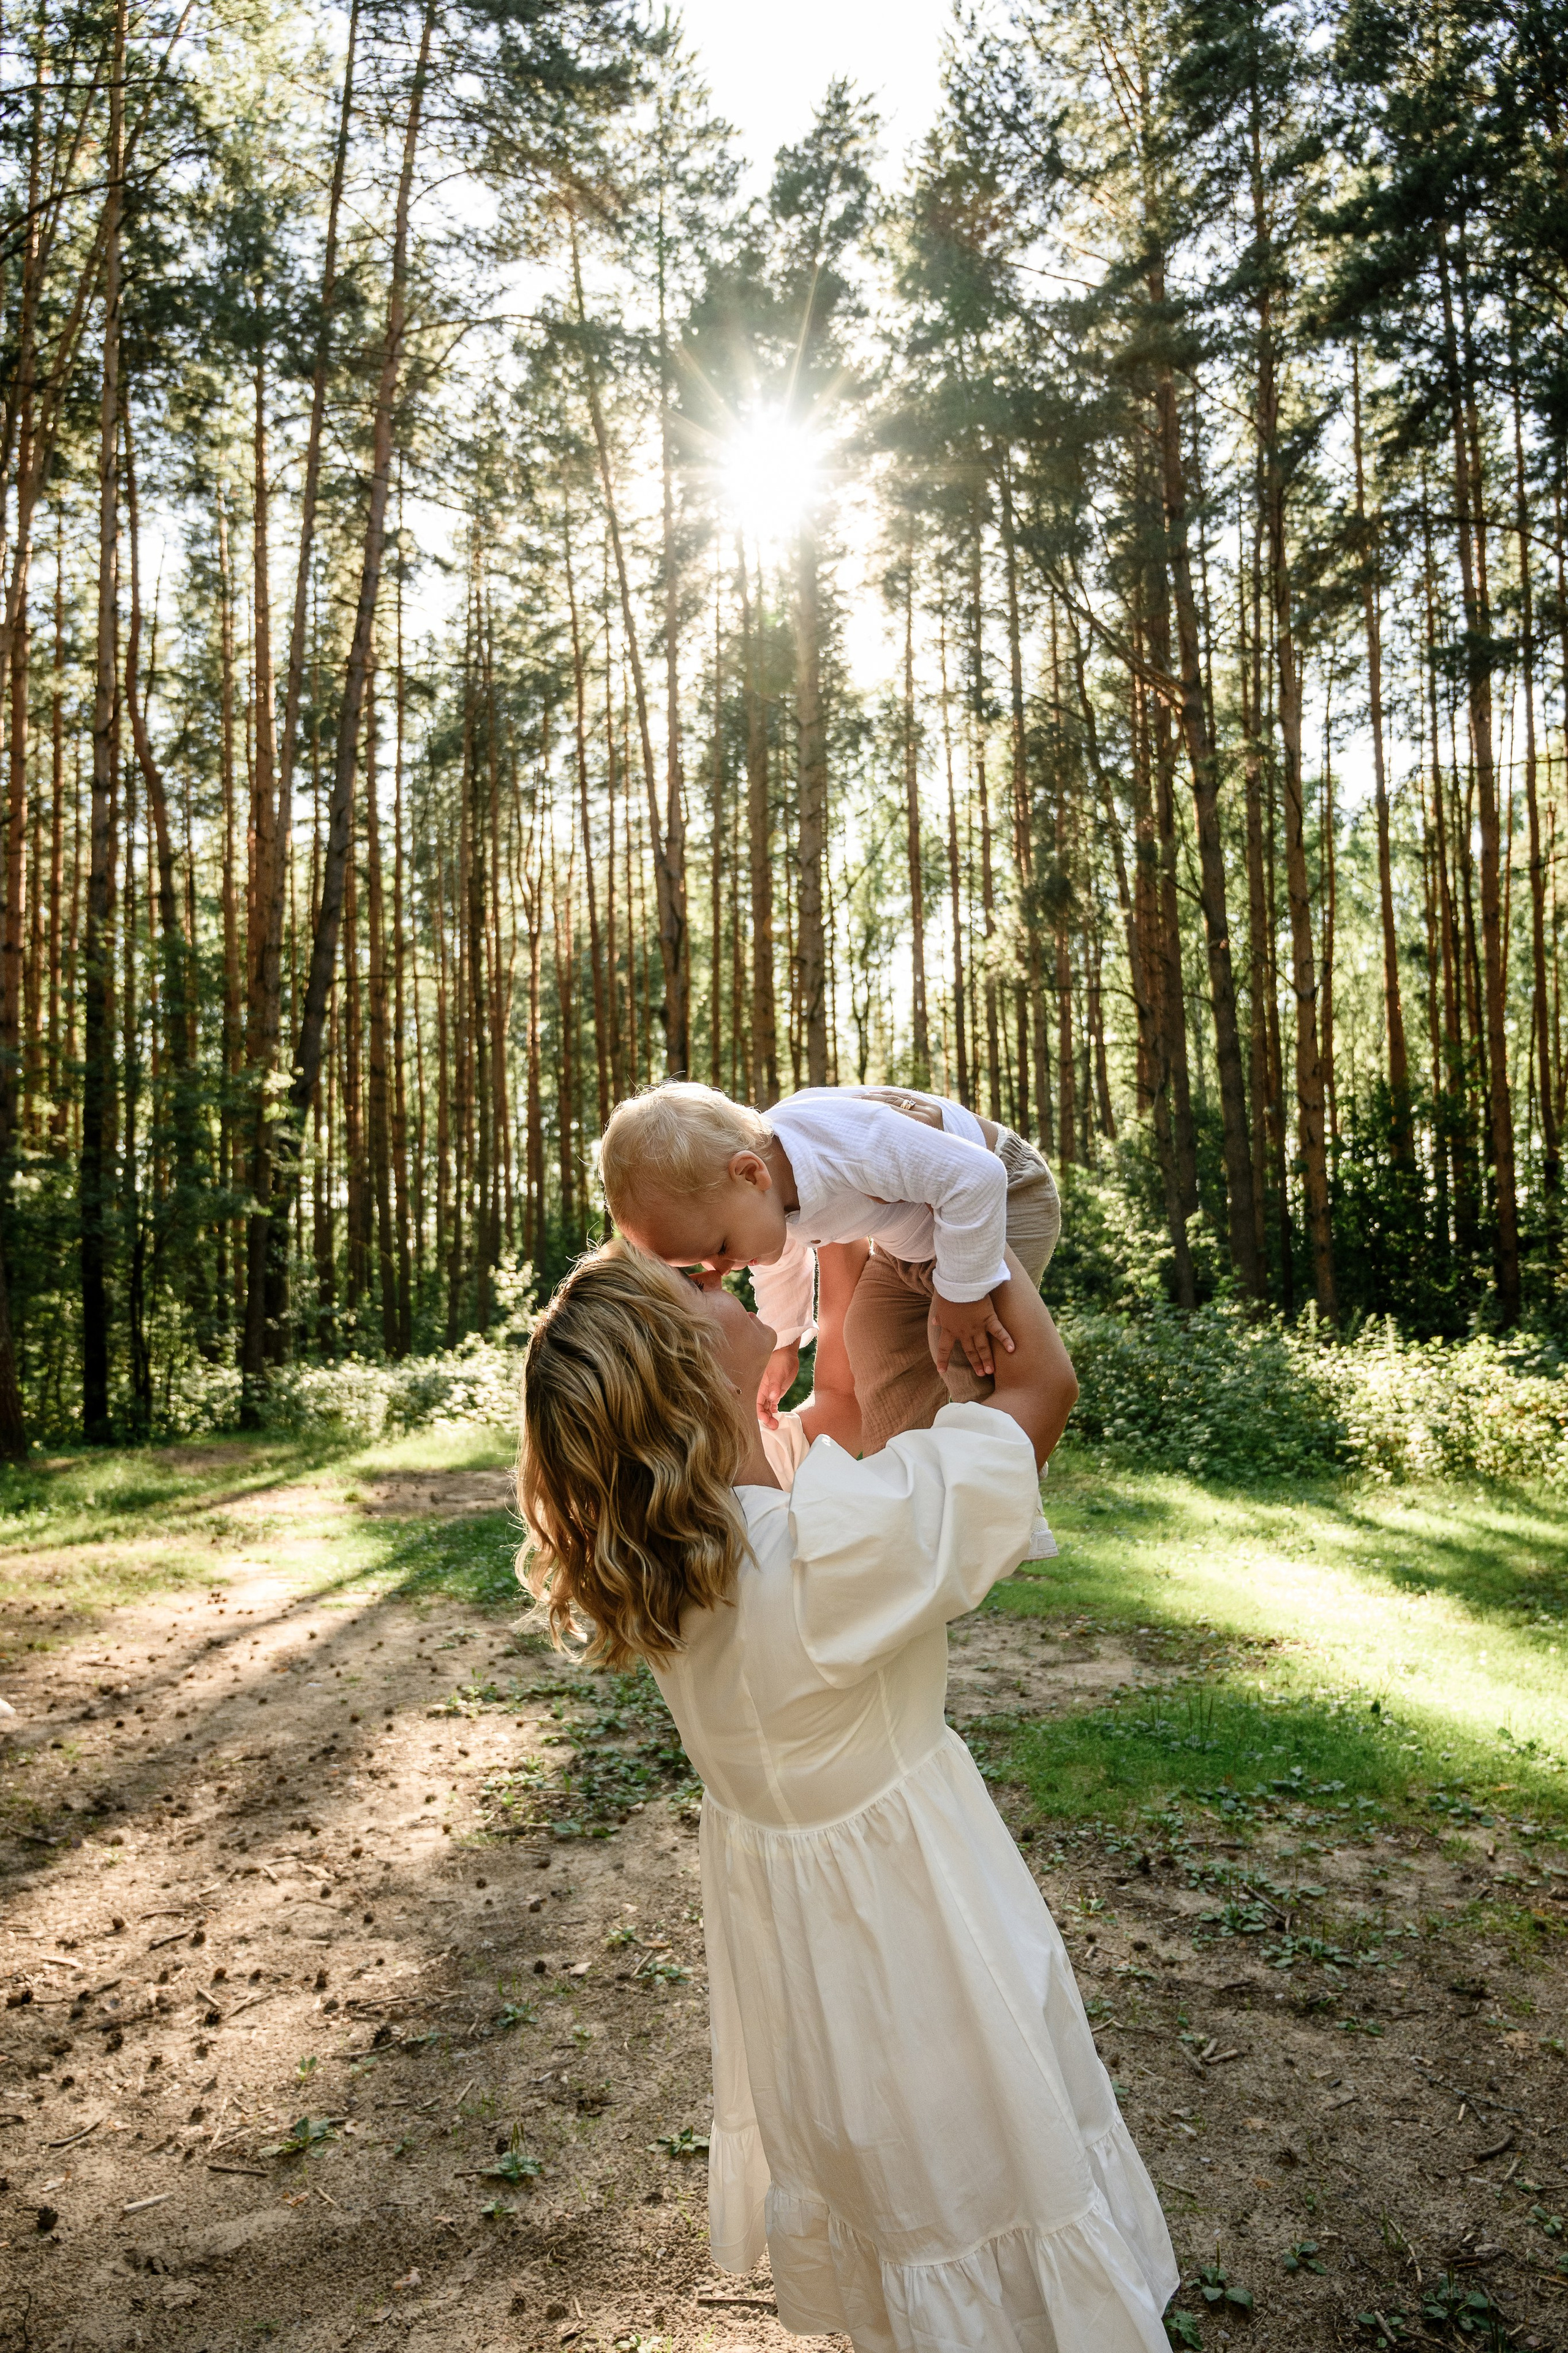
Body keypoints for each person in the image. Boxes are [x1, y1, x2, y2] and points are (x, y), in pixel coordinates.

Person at [518, 1241, 1177, 2353]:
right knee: (984, 2154)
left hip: (808, 1959)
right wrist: (961, 1235)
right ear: (694, 1369)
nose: (721, 1271)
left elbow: (833, 1404)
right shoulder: (830, 1555)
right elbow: (1041, 1391)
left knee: (890, 2168)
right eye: (704, 1287)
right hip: (920, 1926)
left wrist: (835, 1250)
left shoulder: (688, 1554)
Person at [597, 1081, 1061, 1457]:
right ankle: (894, 1471)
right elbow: (780, 1262)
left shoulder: (844, 1144)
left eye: (720, 1246)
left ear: (750, 1173)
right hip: (914, 1244)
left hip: (1000, 1198)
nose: (723, 1267)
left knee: (961, 1343)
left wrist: (965, 1292)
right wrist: (783, 1343)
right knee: (870, 1331)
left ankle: (1003, 1491)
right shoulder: (766, 1192)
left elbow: (978, 1176)